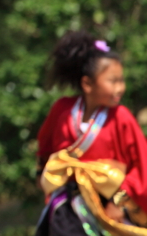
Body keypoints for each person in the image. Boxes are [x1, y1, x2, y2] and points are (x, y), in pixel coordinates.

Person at [36, 31, 147, 236]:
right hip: (68, 210)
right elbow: (45, 151)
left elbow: (141, 167)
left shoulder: (120, 117)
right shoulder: (61, 110)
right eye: (113, 81)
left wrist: (117, 203)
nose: (120, 88)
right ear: (87, 84)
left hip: (110, 208)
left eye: (121, 80)